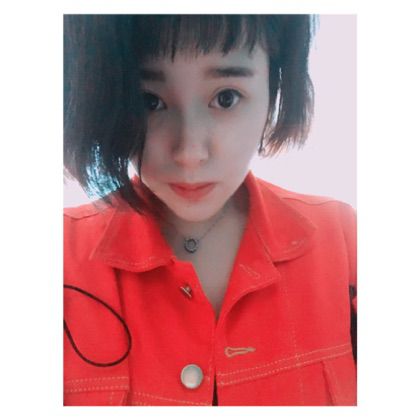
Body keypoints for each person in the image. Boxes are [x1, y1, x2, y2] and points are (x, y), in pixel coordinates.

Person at [63, 15, 357, 406]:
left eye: (226, 97)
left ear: (274, 87)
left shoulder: (345, 241)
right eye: (149, 101)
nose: (190, 153)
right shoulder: (58, 258)